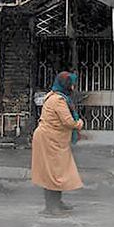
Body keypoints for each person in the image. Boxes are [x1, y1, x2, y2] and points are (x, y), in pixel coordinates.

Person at [31, 71, 84, 215]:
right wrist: (79, 123)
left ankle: (56, 203)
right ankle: (51, 207)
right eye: (71, 84)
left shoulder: (57, 97)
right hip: (49, 140)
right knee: (52, 174)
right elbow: (68, 122)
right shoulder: (57, 100)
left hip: (54, 140)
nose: (73, 87)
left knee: (56, 173)